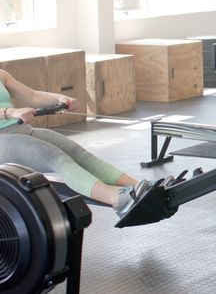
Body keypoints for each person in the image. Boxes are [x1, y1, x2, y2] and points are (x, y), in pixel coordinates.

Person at [0, 69, 154, 217]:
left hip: (22, 130)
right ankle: (116, 198)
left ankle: (140, 187)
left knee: (78, 154)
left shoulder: (2, 74)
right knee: (57, 159)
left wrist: (60, 99)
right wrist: (10, 112)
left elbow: (32, 96)